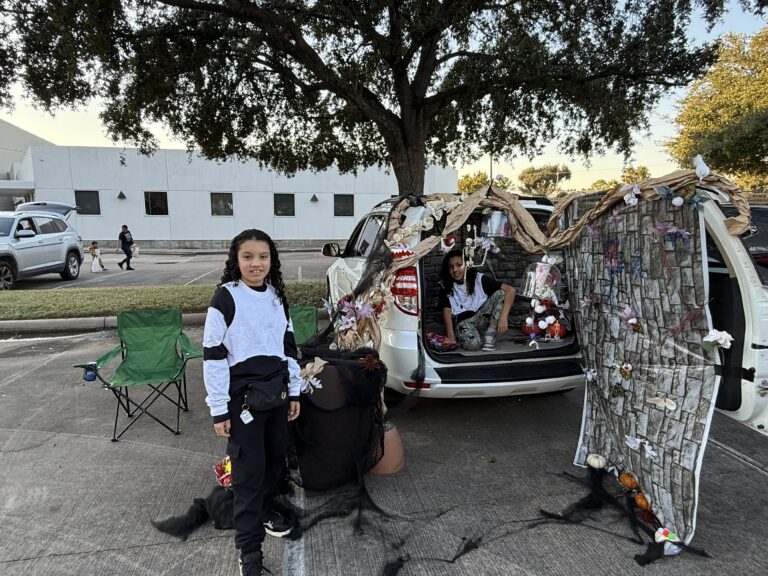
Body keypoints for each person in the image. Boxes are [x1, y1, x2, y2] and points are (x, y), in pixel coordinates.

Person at [202, 229, 302, 576]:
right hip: (242, 400)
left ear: (272, 260)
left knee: (274, 463)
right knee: (248, 474)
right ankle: (250, 553)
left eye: (263, 256)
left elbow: (287, 346)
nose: (256, 264)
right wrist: (219, 409)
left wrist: (293, 391)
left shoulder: (275, 297)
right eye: (248, 257)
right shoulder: (225, 298)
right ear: (236, 260)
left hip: (276, 395)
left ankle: (264, 509)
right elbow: (213, 355)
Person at [439, 249, 516, 351]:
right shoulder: (446, 285)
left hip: (481, 318)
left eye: (459, 265)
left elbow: (511, 290)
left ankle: (490, 335)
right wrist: (451, 337)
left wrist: (503, 317)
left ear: (468, 265)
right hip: (463, 323)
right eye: (451, 267)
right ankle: (477, 337)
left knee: (501, 293)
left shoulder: (479, 279)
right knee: (474, 345)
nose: (455, 270)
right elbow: (447, 311)